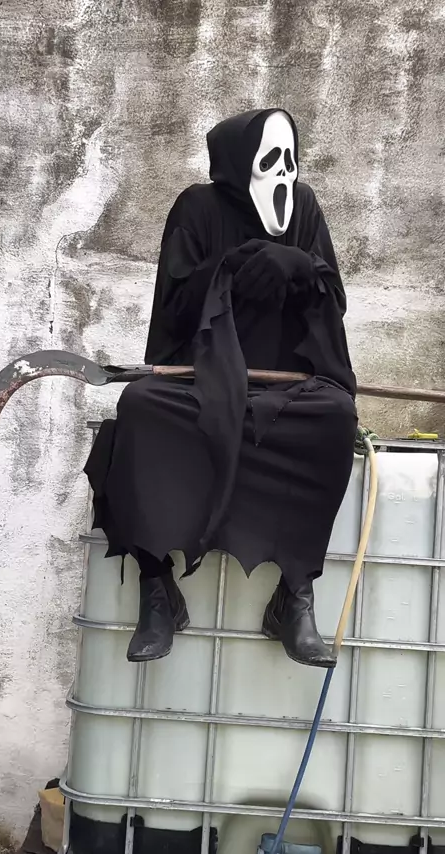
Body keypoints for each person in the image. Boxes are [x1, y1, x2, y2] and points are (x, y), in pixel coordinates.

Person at [84, 108, 358, 669]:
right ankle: (157, 591)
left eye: (290, 160)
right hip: (202, 382)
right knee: (140, 406)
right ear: (238, 162)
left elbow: (333, 298)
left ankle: (295, 594)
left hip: (285, 388)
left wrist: (299, 265)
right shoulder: (198, 207)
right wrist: (230, 268)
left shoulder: (304, 206)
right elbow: (175, 302)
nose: (283, 173)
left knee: (335, 415)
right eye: (269, 160)